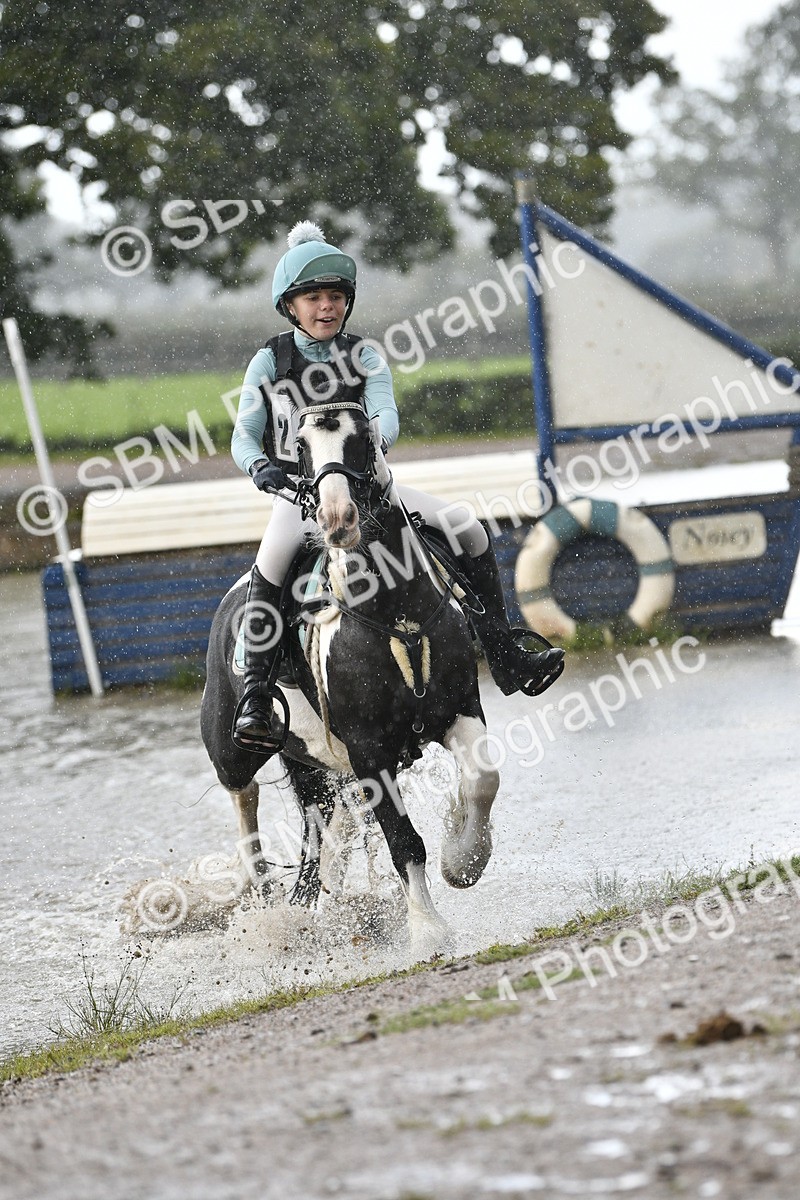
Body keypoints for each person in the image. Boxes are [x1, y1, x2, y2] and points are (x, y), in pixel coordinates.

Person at [230, 221, 564, 753]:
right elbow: (243, 438)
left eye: (336, 297)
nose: (326, 307)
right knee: (268, 570)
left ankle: (504, 651)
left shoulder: (364, 356)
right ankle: (254, 698)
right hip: (303, 499)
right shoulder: (270, 361)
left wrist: (368, 450)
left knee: (470, 530)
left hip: (371, 489)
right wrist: (262, 470)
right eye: (313, 297)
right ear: (290, 306)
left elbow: (386, 412)